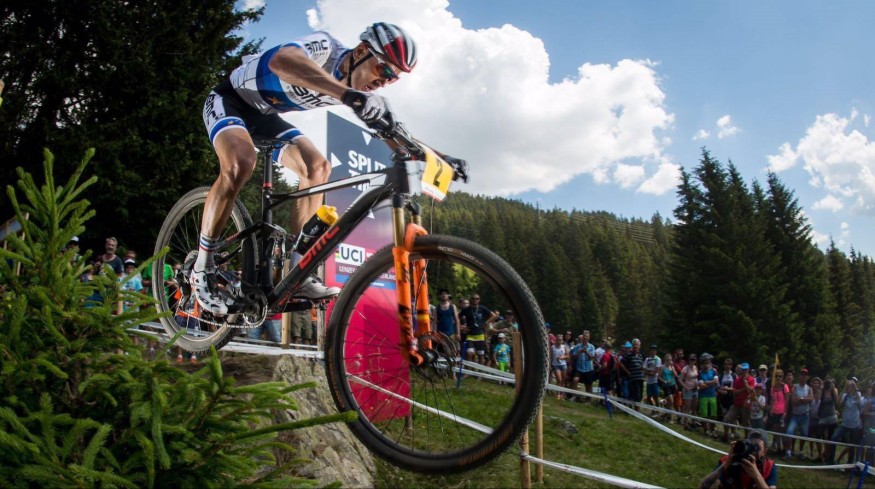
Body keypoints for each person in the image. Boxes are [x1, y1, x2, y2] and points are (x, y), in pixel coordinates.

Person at [192, 22, 465, 315]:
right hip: (230, 100)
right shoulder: (325, 48)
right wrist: (346, 95)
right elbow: (281, 61)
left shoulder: (354, 89)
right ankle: (202, 267)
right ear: (361, 51)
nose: (384, 81)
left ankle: (296, 270)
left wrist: (439, 157)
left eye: (392, 79)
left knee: (318, 167)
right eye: (383, 69)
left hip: (266, 116)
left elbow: (392, 133)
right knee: (242, 162)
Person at [698, 430, 777, 489]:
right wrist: (727, 463)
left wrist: (756, 475)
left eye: (757, 448)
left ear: (764, 452)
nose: (753, 451)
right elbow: (704, 486)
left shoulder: (769, 466)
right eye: (750, 445)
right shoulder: (729, 460)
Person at [828, 376, 864, 464]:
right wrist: (844, 389)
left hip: (854, 425)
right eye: (850, 384)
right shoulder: (845, 396)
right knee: (834, 438)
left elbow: (860, 405)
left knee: (852, 445)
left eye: (854, 384)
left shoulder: (858, 395)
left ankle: (849, 464)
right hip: (844, 424)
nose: (852, 385)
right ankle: (831, 460)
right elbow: (838, 404)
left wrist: (855, 390)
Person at [458, 294, 498, 365]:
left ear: (479, 300)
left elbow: (494, 315)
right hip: (470, 334)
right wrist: (462, 326)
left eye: (477, 299)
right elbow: (457, 317)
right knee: (469, 352)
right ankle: (469, 369)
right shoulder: (467, 309)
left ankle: (480, 371)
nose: (475, 300)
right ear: (471, 299)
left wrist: (486, 322)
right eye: (473, 298)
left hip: (480, 334)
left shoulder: (482, 308)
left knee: (481, 355)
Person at [783, 367, 813, 459]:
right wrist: (805, 400)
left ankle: (800, 451)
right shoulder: (795, 387)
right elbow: (793, 401)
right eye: (802, 374)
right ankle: (788, 452)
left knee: (804, 434)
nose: (803, 376)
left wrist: (800, 399)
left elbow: (811, 399)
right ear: (799, 376)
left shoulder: (809, 388)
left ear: (807, 377)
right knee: (789, 432)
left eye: (805, 375)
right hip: (795, 416)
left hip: (805, 416)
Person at [723, 363, 755, 441]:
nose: (744, 371)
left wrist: (745, 383)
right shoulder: (737, 379)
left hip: (746, 405)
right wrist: (743, 389)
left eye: (745, 370)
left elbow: (750, 391)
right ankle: (725, 436)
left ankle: (747, 439)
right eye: (743, 369)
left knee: (746, 423)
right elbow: (734, 392)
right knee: (727, 419)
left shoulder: (751, 379)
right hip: (736, 404)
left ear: (748, 370)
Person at [570, 330, 597, 402]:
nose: (585, 338)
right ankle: (574, 396)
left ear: (589, 338)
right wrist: (579, 352)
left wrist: (586, 352)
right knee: (575, 380)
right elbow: (574, 356)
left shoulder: (591, 346)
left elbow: (592, 357)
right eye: (584, 336)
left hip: (588, 369)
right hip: (579, 368)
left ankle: (588, 399)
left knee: (588, 384)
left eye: (587, 337)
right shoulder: (578, 346)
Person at [698, 354, 720, 437]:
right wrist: (711, 383)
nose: (706, 365)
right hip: (703, 396)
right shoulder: (700, 373)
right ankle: (706, 430)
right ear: (702, 364)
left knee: (713, 414)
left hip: (712, 395)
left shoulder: (713, 371)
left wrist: (706, 382)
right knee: (704, 414)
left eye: (707, 363)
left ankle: (713, 429)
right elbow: (701, 386)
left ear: (710, 363)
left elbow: (716, 381)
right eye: (704, 363)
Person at [680, 353, 699, 427]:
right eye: (691, 359)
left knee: (694, 408)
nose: (692, 361)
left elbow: (697, 377)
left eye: (693, 359)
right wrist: (685, 387)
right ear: (689, 360)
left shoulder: (696, 367)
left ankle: (693, 422)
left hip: (695, 389)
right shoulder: (685, 368)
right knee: (687, 408)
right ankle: (685, 423)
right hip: (688, 390)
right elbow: (680, 379)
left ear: (695, 360)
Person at [550, 335, 569, 400]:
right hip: (555, 365)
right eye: (558, 340)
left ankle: (562, 394)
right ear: (556, 340)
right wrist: (550, 365)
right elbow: (551, 357)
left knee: (563, 380)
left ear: (562, 341)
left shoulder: (564, 347)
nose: (559, 341)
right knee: (559, 379)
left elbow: (568, 356)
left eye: (560, 340)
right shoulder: (552, 347)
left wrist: (562, 357)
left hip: (563, 365)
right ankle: (558, 394)